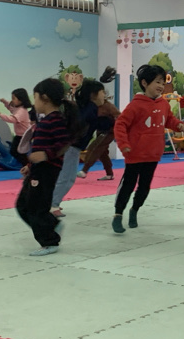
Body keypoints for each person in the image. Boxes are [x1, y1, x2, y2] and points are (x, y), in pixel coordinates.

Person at [112, 64, 184, 233]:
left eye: (163, 83)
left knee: (144, 187)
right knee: (128, 185)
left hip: (153, 154)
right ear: (144, 83)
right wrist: (124, 144)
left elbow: (169, 119)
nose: (161, 86)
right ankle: (118, 214)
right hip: (135, 154)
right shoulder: (135, 105)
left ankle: (134, 210)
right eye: (157, 82)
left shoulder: (164, 104)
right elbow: (120, 124)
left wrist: (178, 125)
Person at [16, 77, 77, 256]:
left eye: (35, 98)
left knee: (36, 207)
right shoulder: (45, 120)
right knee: (22, 205)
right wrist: (30, 165)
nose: (33, 102)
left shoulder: (55, 120)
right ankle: (52, 224)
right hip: (38, 170)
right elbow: (40, 147)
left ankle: (49, 241)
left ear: (45, 98)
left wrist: (45, 156)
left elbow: (63, 143)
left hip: (47, 171)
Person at [50, 79, 105, 218]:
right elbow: (81, 125)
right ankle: (52, 205)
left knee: (63, 176)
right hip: (71, 147)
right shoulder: (90, 109)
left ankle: (52, 202)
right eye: (102, 92)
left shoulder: (86, 107)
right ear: (94, 94)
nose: (104, 95)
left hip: (70, 146)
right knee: (67, 177)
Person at [79, 95, 120, 181]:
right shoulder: (92, 107)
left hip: (109, 131)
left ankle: (84, 170)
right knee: (102, 152)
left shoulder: (108, 106)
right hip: (100, 131)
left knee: (94, 147)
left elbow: (119, 117)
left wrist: (115, 129)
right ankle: (109, 174)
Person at [0, 88, 35, 165]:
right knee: (15, 151)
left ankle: (28, 164)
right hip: (20, 135)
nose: (12, 100)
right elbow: (11, 108)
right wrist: (5, 102)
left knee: (16, 151)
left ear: (21, 100)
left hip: (24, 136)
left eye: (14, 98)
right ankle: (27, 165)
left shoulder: (22, 111)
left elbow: (12, 119)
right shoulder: (18, 108)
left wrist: (1, 115)